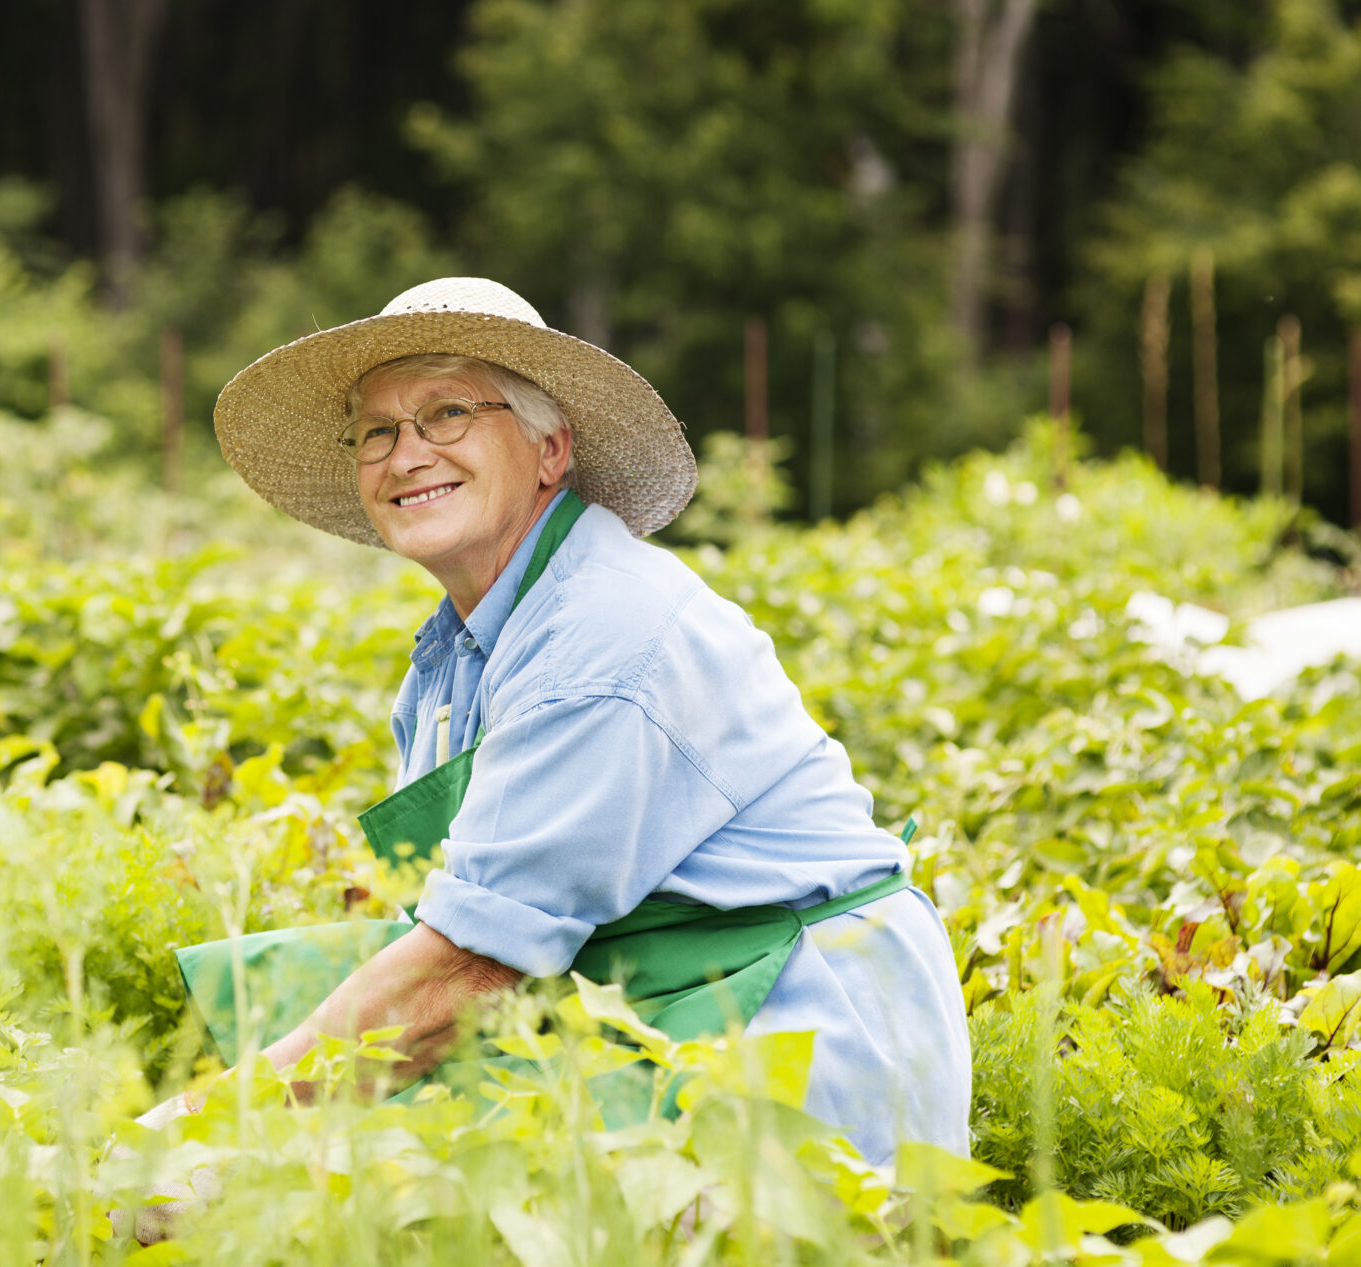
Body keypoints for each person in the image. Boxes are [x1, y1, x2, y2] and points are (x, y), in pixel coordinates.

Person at [155, 277, 969, 1169]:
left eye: (449, 413)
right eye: (377, 431)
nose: (406, 453)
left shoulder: (603, 634)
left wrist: (206, 1128)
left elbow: (471, 968)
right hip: (660, 983)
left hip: (804, 1026)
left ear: (551, 451)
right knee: (309, 993)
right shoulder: (456, 653)